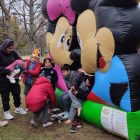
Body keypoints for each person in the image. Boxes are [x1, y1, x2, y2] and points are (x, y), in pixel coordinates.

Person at [0, 39, 27, 120]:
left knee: (17, 92)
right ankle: (6, 112)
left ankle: (18, 108)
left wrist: (21, 66)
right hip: (3, 79)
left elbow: (19, 60)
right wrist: (6, 71)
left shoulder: (13, 52)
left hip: (14, 77)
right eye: (9, 48)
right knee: (5, 95)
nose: (11, 50)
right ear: (5, 47)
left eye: (12, 48)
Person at [26, 58, 58, 127]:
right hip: (45, 92)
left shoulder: (53, 71)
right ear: (44, 63)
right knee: (45, 103)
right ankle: (45, 121)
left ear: (51, 63)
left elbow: (55, 79)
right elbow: (52, 98)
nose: (47, 64)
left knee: (44, 103)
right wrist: (52, 107)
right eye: (46, 62)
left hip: (46, 91)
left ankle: (40, 119)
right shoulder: (42, 71)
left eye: (49, 62)